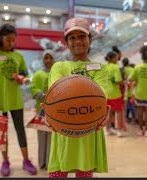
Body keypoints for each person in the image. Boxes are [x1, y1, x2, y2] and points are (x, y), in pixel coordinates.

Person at [40, 17, 111, 178]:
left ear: (90, 39)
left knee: (84, 173)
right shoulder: (59, 66)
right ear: (66, 42)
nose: (77, 41)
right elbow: (56, 96)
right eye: (72, 37)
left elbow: (100, 97)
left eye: (82, 36)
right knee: (58, 174)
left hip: (88, 132)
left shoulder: (101, 69)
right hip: (64, 131)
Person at [0, 24, 37, 176]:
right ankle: (5, 161)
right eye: (8, 40)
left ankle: (26, 160)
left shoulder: (18, 56)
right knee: (2, 133)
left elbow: (24, 74)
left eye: (13, 40)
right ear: (1, 38)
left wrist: (23, 79)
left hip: (15, 101)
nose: (11, 43)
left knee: (21, 131)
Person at [30, 49, 55, 170]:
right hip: (41, 110)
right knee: (41, 136)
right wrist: (41, 94)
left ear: (54, 60)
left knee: (51, 136)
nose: (48, 60)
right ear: (43, 60)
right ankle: (41, 162)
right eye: (46, 58)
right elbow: (33, 88)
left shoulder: (57, 74)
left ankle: (50, 161)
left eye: (50, 58)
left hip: (54, 111)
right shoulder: (37, 74)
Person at [129, 45, 147, 137]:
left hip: (139, 93)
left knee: (140, 112)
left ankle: (140, 130)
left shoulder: (137, 68)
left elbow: (130, 78)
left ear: (142, 58)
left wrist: (137, 80)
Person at [105, 51, 128, 137]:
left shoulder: (105, 67)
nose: (116, 59)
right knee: (118, 111)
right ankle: (119, 130)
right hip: (115, 93)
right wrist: (122, 82)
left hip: (106, 93)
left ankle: (107, 129)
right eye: (115, 58)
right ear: (111, 59)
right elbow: (118, 80)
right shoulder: (115, 67)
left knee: (109, 112)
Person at [122, 57, 136, 125]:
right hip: (132, 90)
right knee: (130, 105)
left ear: (123, 63)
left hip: (125, 90)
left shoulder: (123, 70)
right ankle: (132, 118)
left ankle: (128, 119)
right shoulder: (132, 69)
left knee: (127, 106)